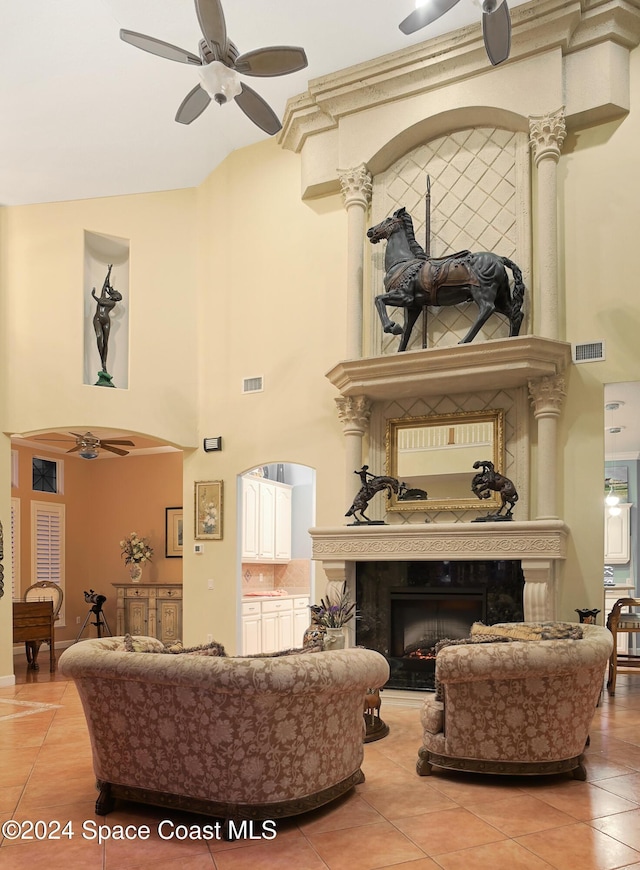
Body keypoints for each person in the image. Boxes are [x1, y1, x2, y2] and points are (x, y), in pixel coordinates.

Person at [91, 265, 122, 374]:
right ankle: (101, 360)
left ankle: (104, 363)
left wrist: (93, 296)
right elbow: (105, 284)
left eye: (116, 295)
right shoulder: (104, 295)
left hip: (106, 321)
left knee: (106, 341)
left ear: (116, 298)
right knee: (99, 338)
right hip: (98, 319)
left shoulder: (112, 303)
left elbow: (101, 302)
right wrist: (109, 271)